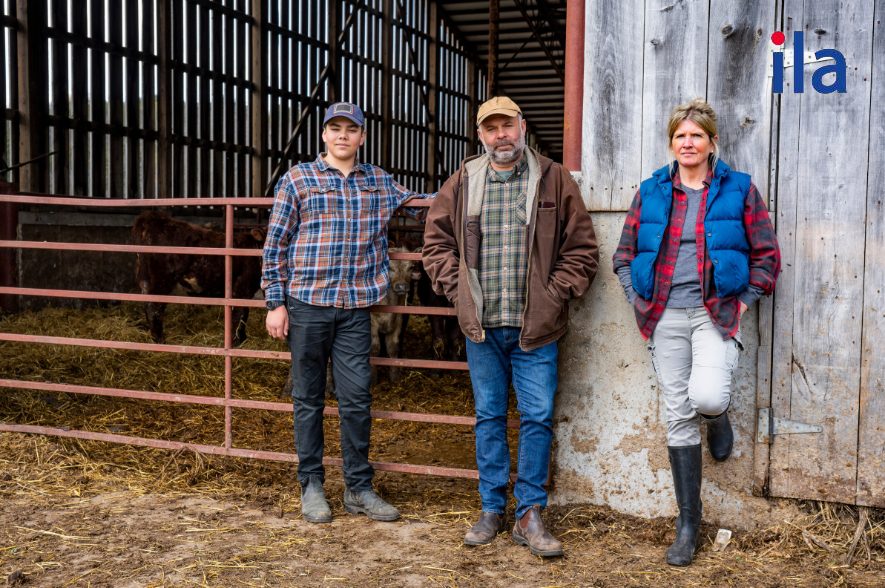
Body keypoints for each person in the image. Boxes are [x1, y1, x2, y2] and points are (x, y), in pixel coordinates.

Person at [422, 96, 599, 557]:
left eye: (508, 126)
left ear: (523, 126)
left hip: (534, 327)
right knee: (489, 418)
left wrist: (555, 293)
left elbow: (582, 248)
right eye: (491, 128)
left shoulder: (552, 178)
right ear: (480, 135)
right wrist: (454, 287)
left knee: (537, 417)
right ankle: (490, 509)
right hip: (481, 325)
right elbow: (436, 242)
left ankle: (529, 513)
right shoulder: (463, 181)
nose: (501, 135)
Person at [612, 98, 781, 566]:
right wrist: (637, 297)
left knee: (705, 397)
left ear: (712, 142)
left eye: (697, 136)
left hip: (716, 311)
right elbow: (623, 254)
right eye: (681, 136)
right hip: (663, 313)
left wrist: (744, 300)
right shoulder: (650, 191)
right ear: (672, 143)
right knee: (676, 412)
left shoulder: (739, 190)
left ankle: (717, 414)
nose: (688, 143)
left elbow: (768, 256)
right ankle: (688, 523)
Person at [262, 102, 433, 524]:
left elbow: (424, 203)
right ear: (323, 135)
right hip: (307, 305)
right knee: (308, 397)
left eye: (350, 129)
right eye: (335, 128)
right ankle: (312, 485)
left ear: (362, 137)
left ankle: (358, 487)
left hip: (356, 309)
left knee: (357, 398)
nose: (342, 136)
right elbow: (275, 244)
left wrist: (475, 182)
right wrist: (275, 302)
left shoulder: (378, 182)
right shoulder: (298, 179)